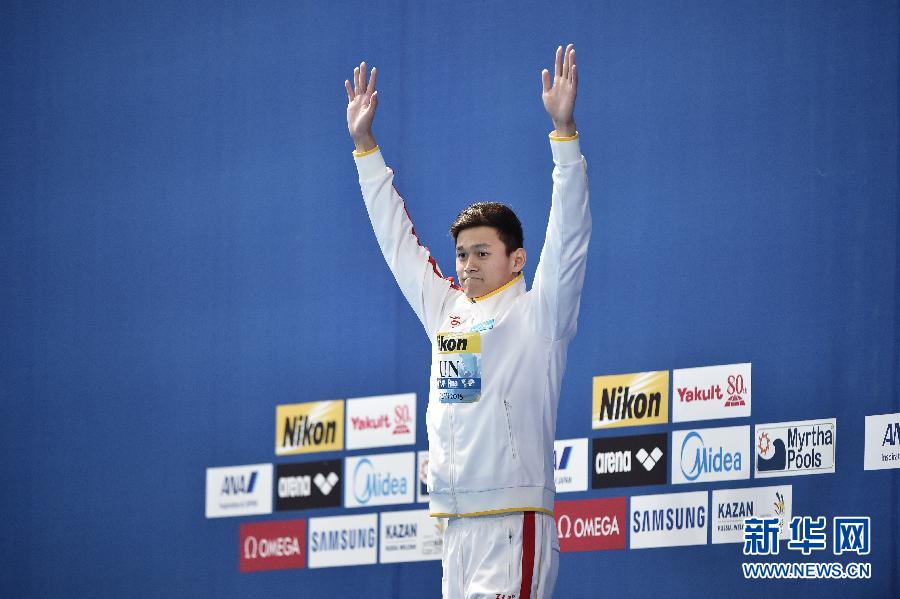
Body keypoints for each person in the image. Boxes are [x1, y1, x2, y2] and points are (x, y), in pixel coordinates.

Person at [345, 44, 590, 599]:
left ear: (517, 260)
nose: (468, 265)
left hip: (514, 523)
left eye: (482, 253)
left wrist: (564, 136)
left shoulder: (540, 315)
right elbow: (398, 244)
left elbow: (570, 239)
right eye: (462, 255)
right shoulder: (446, 312)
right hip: (454, 528)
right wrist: (365, 148)